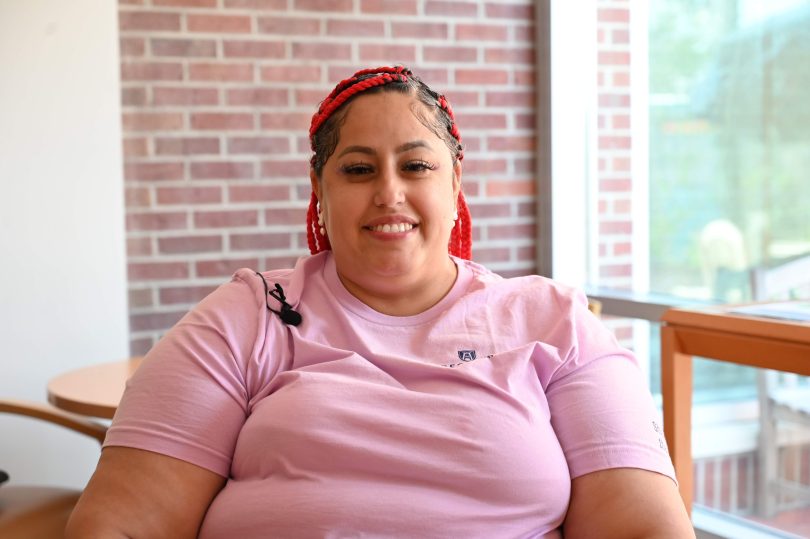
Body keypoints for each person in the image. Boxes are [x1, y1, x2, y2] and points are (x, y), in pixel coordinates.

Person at [66, 65, 694, 538]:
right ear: (320, 191)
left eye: (416, 166)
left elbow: (645, 529)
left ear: (455, 185)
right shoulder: (248, 316)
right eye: (359, 169)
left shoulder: (555, 321)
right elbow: (120, 524)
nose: (389, 193)